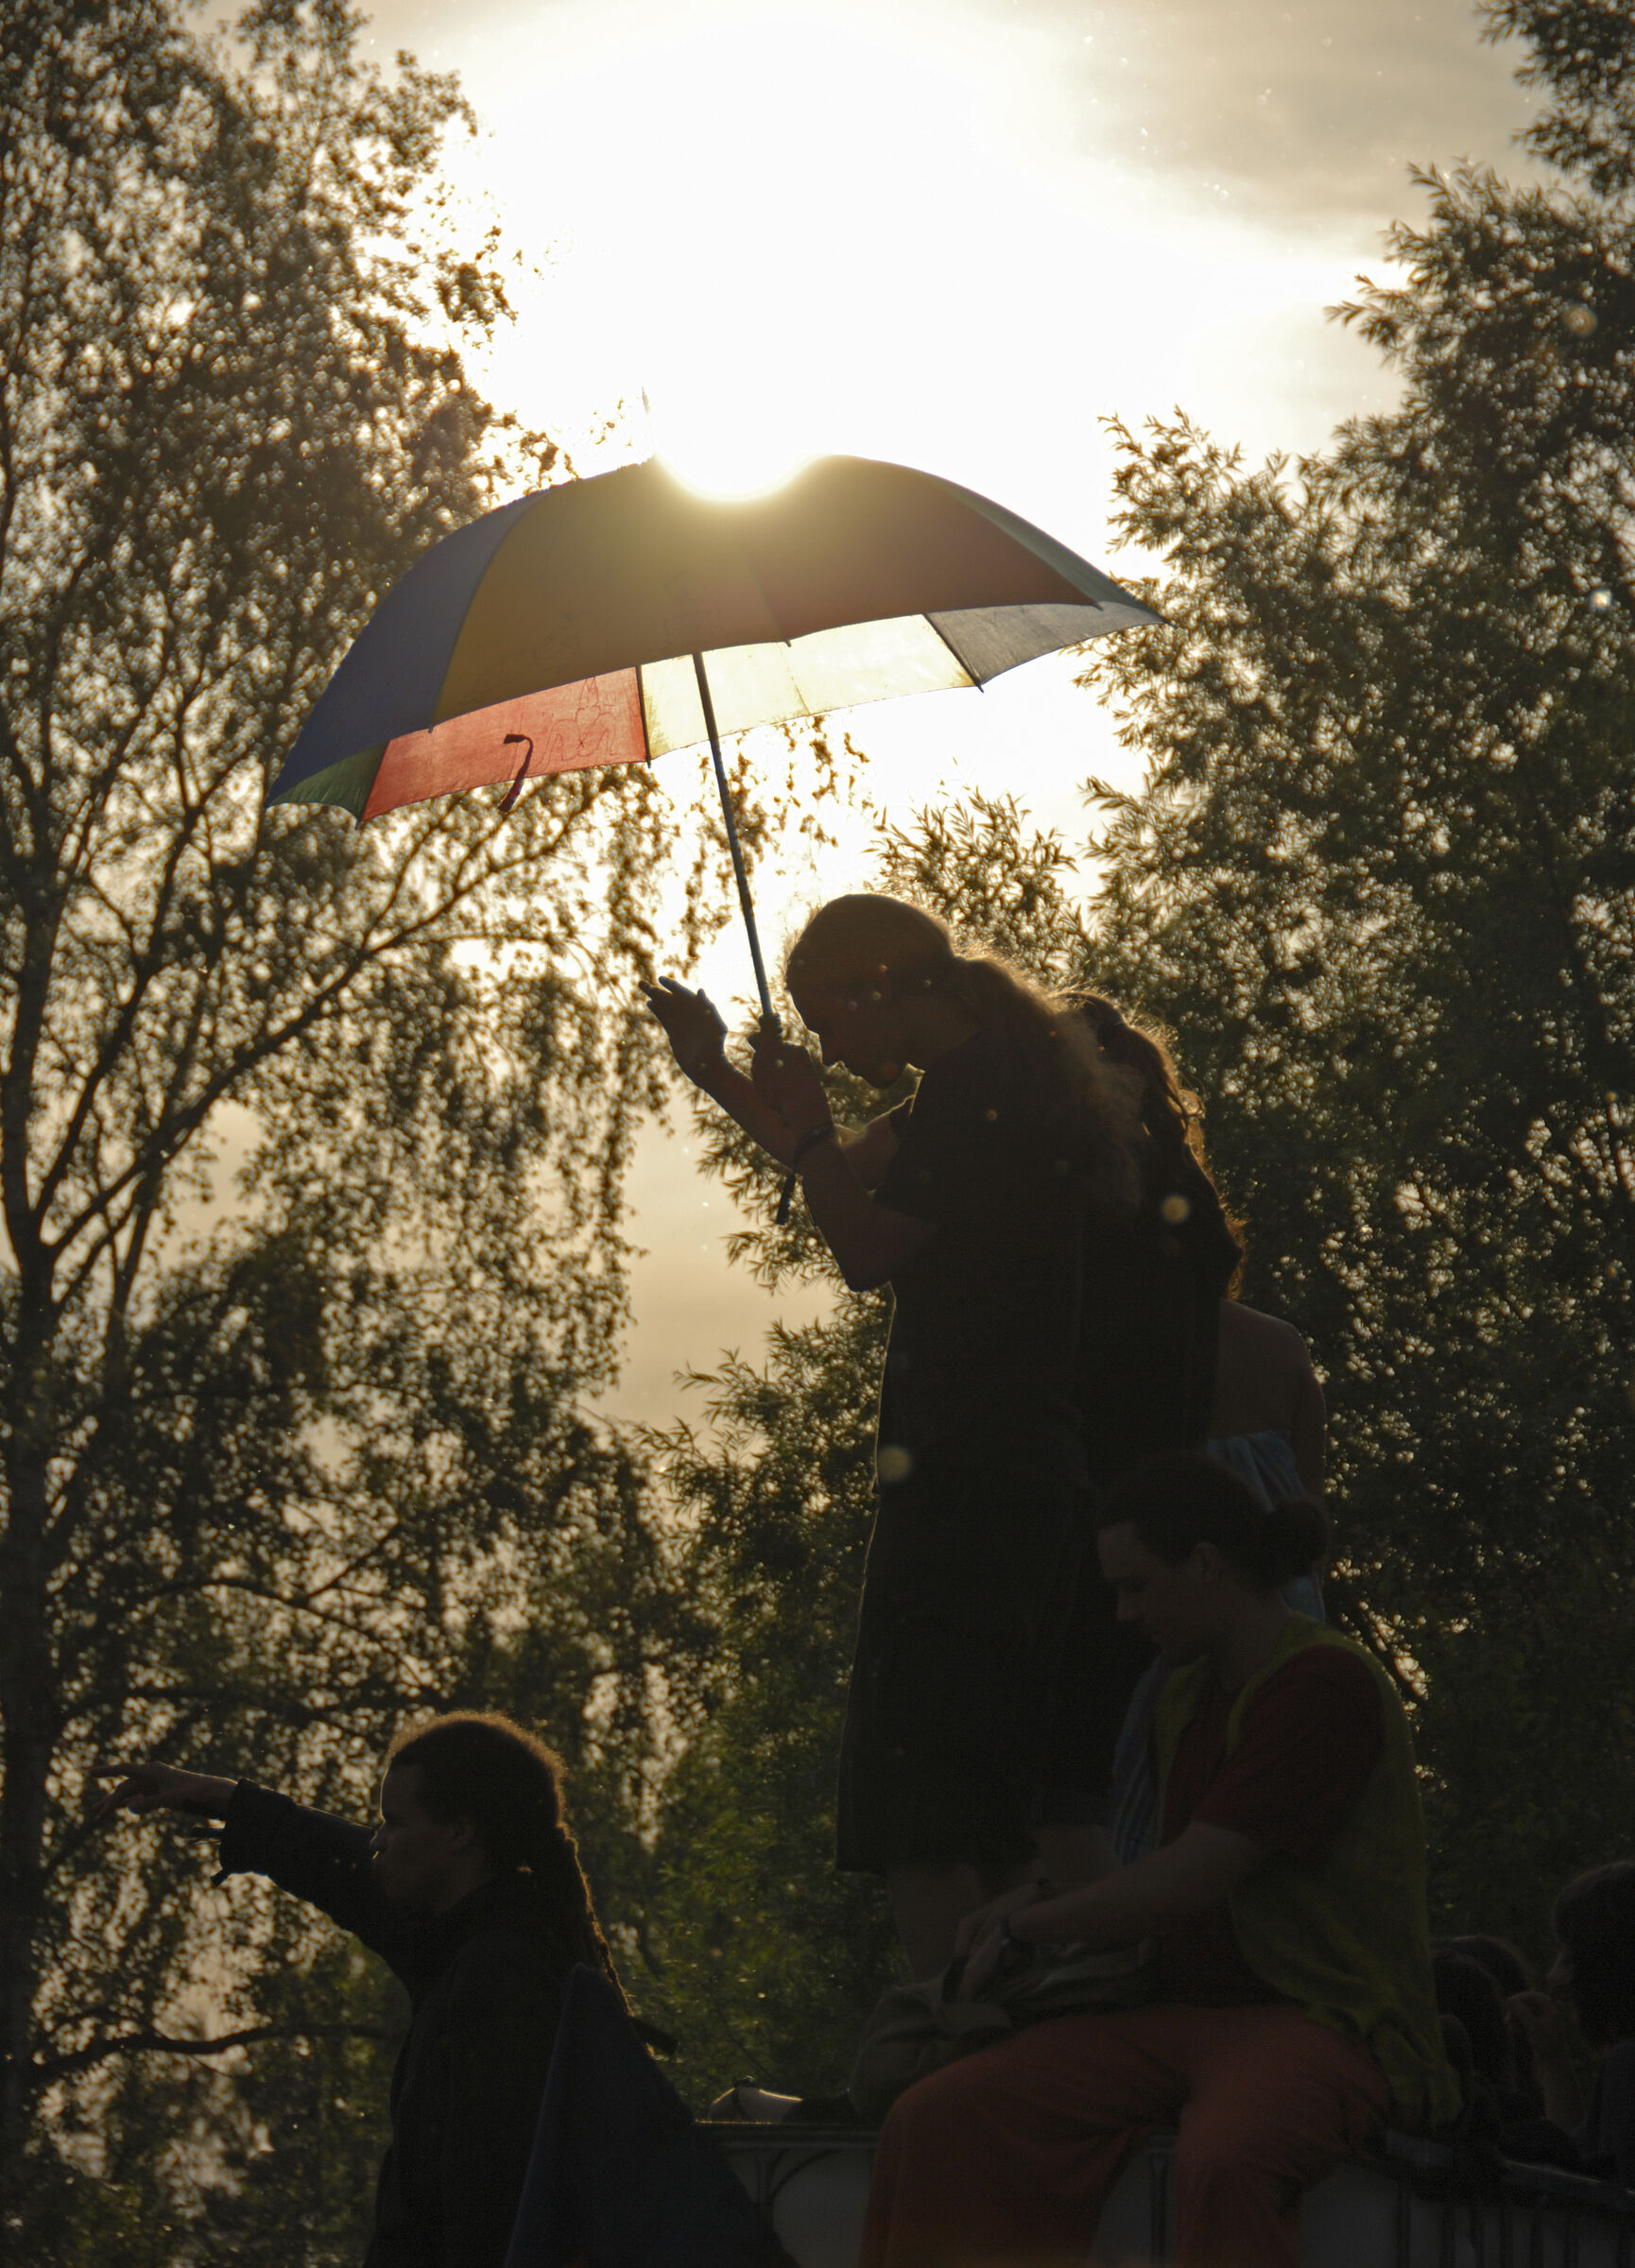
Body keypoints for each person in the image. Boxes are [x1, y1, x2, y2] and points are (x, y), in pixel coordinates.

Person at [644, 894, 1141, 1978]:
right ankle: (1006, 2016)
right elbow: (827, 1162)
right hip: (1015, 1475)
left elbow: (862, 1243)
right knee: (986, 1792)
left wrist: (814, 1122)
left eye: (826, 1021)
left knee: (916, 1796)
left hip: (971, 1473)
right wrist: (716, 1071)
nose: (822, 1044)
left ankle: (940, 2034)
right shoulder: (979, 1089)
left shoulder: (976, 1106)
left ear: (880, 991)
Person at [858, 1452, 1458, 2268]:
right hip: (1182, 2012)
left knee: (1229, 2158)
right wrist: (1028, 1894)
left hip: (1323, 2017)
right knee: (940, 2114)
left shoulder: (1322, 1684)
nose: (1122, 1614)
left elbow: (1189, 1879)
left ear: (1206, 1564)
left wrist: (1026, 1926)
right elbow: (1158, 1863)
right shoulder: (1187, 1692)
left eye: (1135, 1586)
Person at [95, 1712, 623, 2268]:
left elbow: (484, 2208)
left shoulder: (501, 1977)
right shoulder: (479, 1935)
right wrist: (221, 1796)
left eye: (393, 1823)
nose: (377, 1841)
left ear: (460, 1833)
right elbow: (347, 1872)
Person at [1035, 998, 1244, 1886]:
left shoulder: (1082, 1195)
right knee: (1155, 1735)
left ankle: (1104, 1947)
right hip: (1176, 1486)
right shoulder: (1183, 1198)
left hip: (1098, 1496)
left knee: (1069, 1765)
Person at [1508, 1860, 1635, 2189]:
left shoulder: (1628, 2063)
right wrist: (1551, 2058)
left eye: (1570, 1958)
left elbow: (1603, 2205)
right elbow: (1579, 2164)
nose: (1554, 1977)